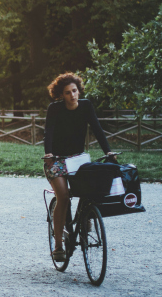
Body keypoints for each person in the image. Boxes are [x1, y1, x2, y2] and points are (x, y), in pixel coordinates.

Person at [43, 72, 115, 262]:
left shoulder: (86, 106)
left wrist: (108, 152)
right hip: (57, 160)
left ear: (79, 90)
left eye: (74, 91)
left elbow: (97, 129)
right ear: (61, 94)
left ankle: (87, 216)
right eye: (67, 92)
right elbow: (48, 132)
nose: (72, 95)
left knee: (91, 187)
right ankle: (58, 245)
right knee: (64, 196)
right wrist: (49, 153)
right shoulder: (55, 108)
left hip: (77, 159)